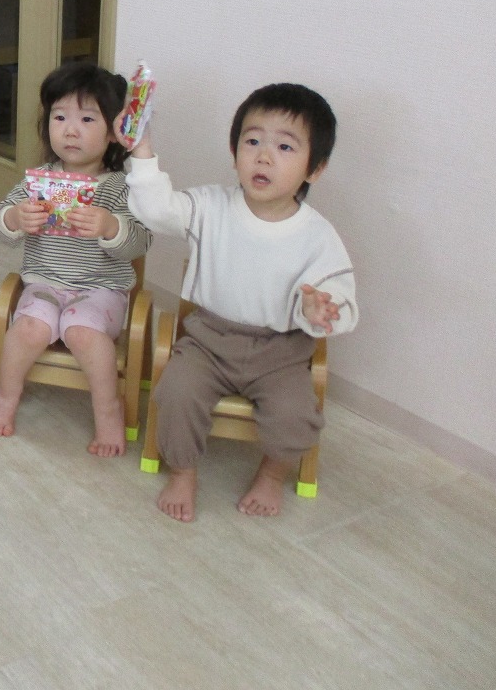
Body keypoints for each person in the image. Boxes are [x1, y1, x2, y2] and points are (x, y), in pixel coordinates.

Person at [124, 82, 358, 522]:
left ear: (315, 168)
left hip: (281, 352)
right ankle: (183, 471)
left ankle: (271, 474)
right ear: (234, 153)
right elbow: (155, 210)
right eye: (252, 142)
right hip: (208, 340)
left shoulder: (318, 236)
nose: (264, 156)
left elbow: (337, 295)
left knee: (295, 415)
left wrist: (321, 310)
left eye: (285, 147)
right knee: (175, 392)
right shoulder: (210, 206)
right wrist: (141, 149)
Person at [0, 61, 151, 456]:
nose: (70, 130)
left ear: (113, 132)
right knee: (27, 328)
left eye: (87, 119)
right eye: (60, 117)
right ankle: (7, 394)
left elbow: (141, 242)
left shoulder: (121, 188)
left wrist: (110, 226)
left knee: (81, 330)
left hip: (101, 290)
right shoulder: (37, 181)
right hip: (44, 284)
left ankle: (108, 409)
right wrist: (15, 217)